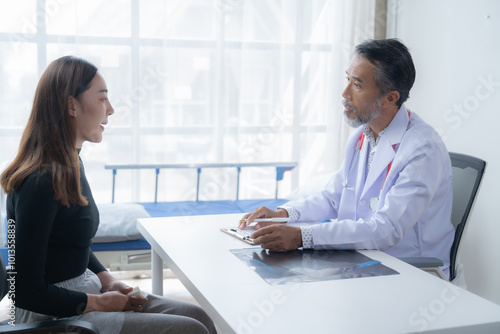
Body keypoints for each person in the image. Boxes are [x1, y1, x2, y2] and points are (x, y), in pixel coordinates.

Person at [0, 56, 217, 334]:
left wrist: (107, 279)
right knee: (189, 329)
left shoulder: (71, 163)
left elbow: (71, 242)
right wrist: (99, 303)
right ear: (71, 106)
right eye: (102, 99)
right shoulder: (40, 182)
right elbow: (25, 292)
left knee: (198, 315)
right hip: (51, 315)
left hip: (86, 290)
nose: (111, 109)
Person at [240, 39, 455, 277]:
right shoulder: (361, 137)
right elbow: (333, 198)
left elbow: (386, 230)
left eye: (357, 85)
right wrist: (283, 215)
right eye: (347, 80)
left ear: (390, 98)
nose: (345, 94)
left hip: (410, 271)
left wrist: (302, 236)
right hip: (361, 260)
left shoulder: (422, 149)